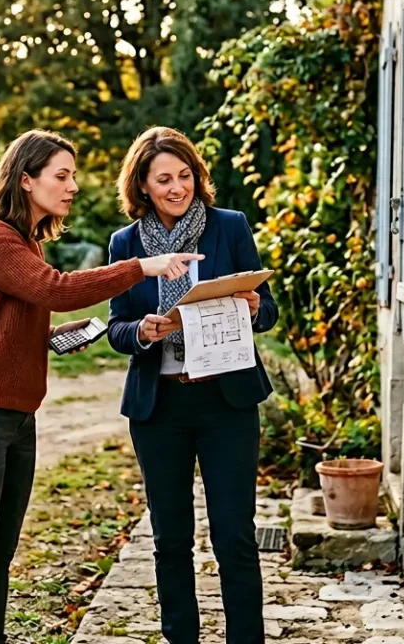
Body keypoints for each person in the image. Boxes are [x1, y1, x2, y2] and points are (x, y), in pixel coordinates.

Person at [0, 129, 202, 644]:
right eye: (62, 175)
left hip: (14, 418)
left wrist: (51, 336)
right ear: (25, 179)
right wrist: (141, 267)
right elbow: (53, 289)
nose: (73, 186)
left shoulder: (25, 242)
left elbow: (5, 321)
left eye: (72, 175)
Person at [106, 126, 277, 644]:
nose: (177, 187)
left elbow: (268, 310)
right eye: (164, 179)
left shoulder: (230, 226)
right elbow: (116, 328)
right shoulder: (126, 244)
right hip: (159, 408)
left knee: (235, 535)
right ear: (142, 184)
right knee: (171, 538)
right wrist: (141, 331)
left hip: (227, 402)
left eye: (185, 176)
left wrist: (255, 307)